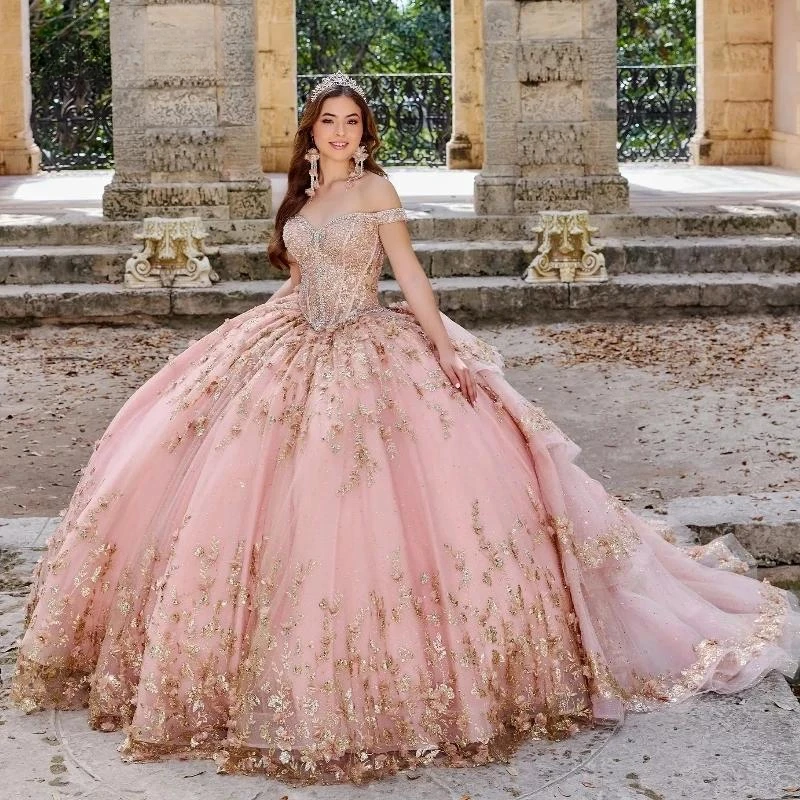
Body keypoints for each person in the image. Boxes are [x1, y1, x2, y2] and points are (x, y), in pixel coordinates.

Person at [11, 72, 800, 785]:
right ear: (311, 132)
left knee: (384, 506)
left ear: (366, 132)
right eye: (329, 121)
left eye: (353, 121)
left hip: (367, 344)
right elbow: (298, 280)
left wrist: (446, 346)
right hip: (288, 342)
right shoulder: (298, 200)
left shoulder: (376, 193)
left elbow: (409, 276)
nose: (342, 133)